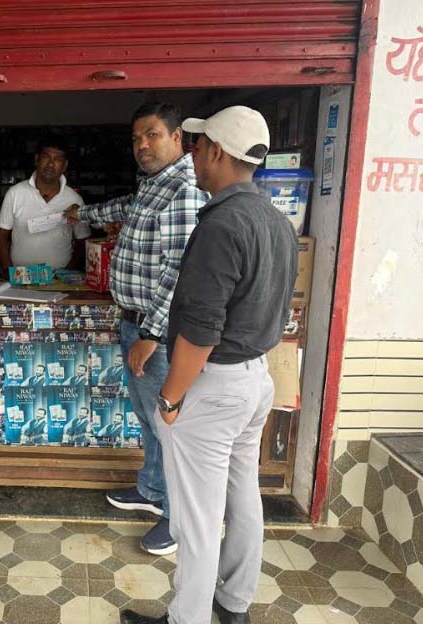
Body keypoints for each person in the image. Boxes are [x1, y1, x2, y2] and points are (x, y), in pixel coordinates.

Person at [120, 106, 298, 624]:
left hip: (214, 384)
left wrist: (170, 398)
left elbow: (200, 329)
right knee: (243, 498)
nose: (192, 155)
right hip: (254, 379)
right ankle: (234, 603)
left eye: (197, 147)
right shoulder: (275, 219)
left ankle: (188, 618)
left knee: (196, 519)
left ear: (217, 152)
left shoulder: (220, 224)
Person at [67, 102, 207, 556]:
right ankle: (152, 489)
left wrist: (150, 333)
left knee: (171, 426)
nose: (142, 145)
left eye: (152, 135)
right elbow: (122, 207)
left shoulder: (183, 189)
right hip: (137, 324)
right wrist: (81, 214)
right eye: (136, 138)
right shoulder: (153, 186)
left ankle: (178, 518)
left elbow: (178, 273)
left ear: (177, 137)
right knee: (150, 420)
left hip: (157, 334)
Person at [0, 136, 91, 272]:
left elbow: (83, 240)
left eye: (57, 159)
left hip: (59, 278)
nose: (50, 164)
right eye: (46, 157)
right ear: (37, 160)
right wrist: (8, 270)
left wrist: (68, 270)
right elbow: (1, 235)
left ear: (64, 165)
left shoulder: (74, 199)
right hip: (21, 276)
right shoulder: (15, 193)